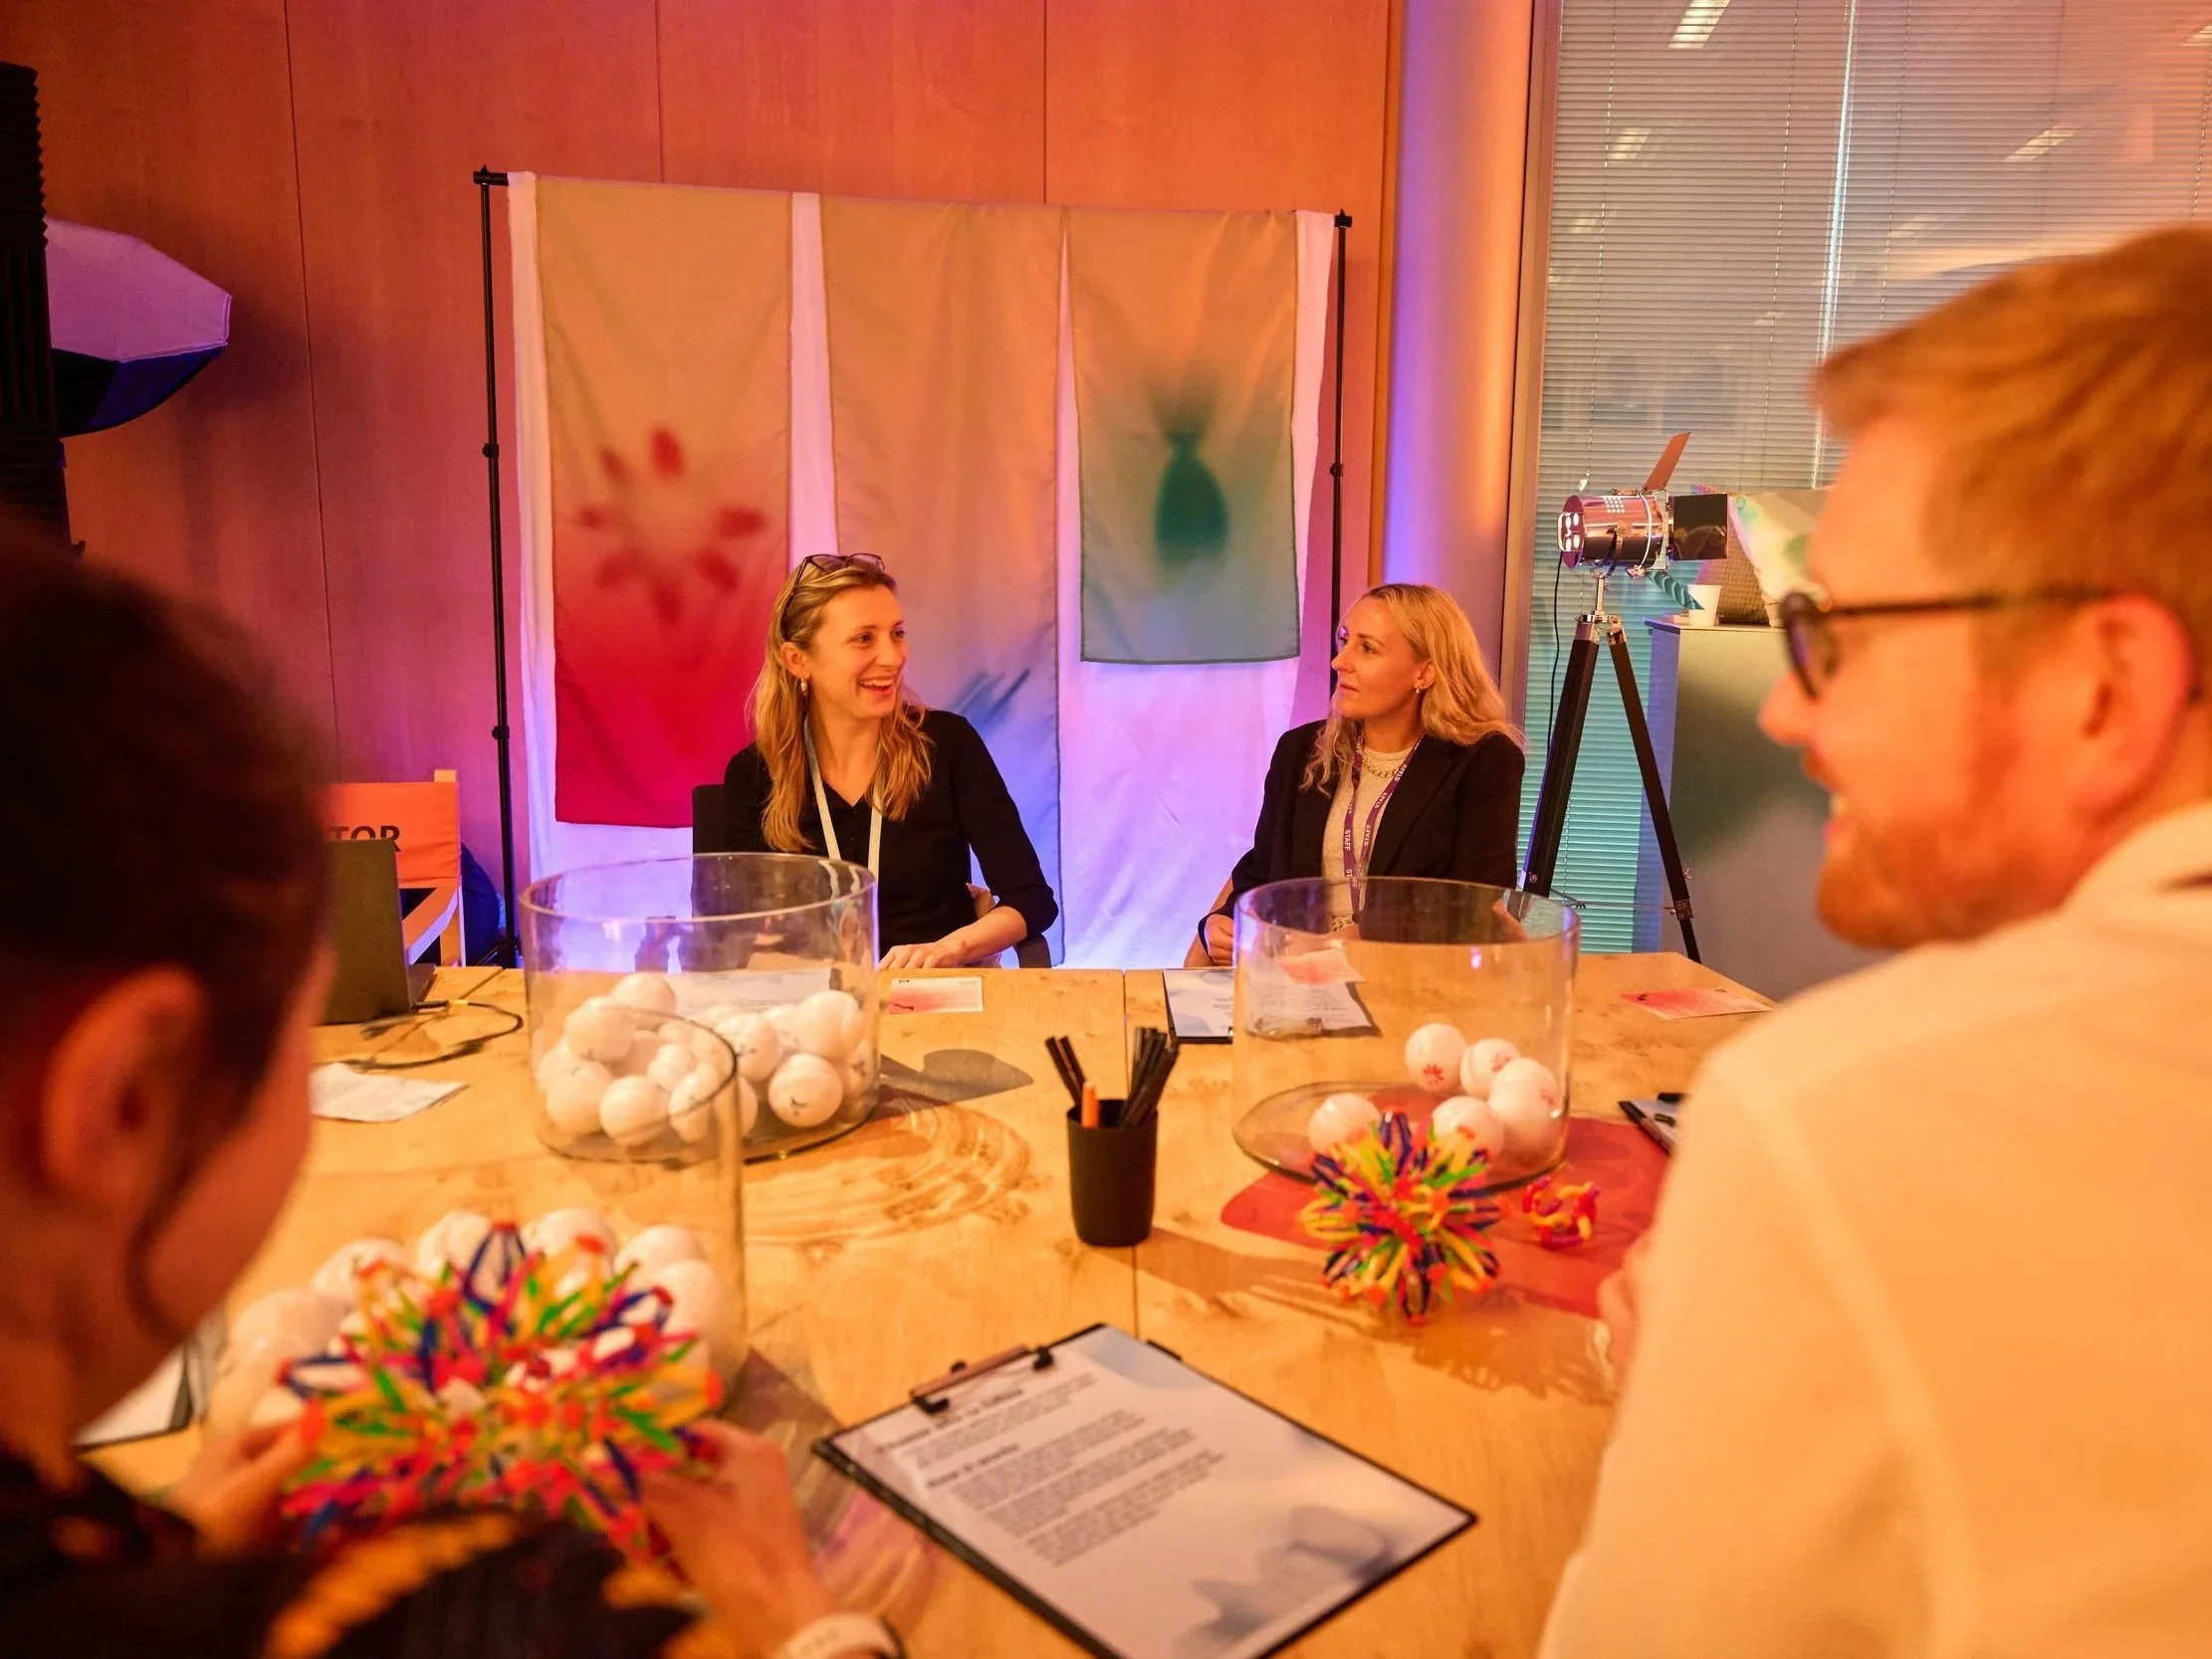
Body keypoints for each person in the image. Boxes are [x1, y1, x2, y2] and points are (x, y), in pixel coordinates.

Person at [0, 556, 894, 1659]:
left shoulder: (92, 1546)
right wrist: (811, 1626)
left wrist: (167, 1549)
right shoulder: (499, 1616)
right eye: (301, 1024)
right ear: (123, 1101)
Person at [1542, 226, 2212, 1656]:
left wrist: (1695, 1400)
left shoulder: (1834, 1120)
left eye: (1835, 634)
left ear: (2104, 689)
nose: (1786, 708)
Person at [723, 554, 1055, 971]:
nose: (893, 657)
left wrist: (949, 949)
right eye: (864, 638)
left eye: (897, 634)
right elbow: (725, 936)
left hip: (935, 991)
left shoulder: (947, 744)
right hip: (814, 1001)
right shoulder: (754, 775)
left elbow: (1031, 898)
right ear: (797, 660)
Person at [1193, 582, 1523, 965]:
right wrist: (1223, 923)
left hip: (1412, 980)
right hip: (1298, 978)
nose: (1339, 661)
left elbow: (1474, 903)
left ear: (1424, 672)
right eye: (1345, 640)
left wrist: (1349, 941)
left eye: (1367, 648)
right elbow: (1262, 871)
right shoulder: (1299, 751)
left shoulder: (1485, 761)